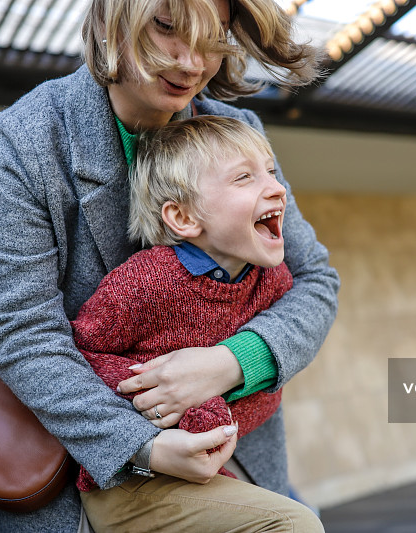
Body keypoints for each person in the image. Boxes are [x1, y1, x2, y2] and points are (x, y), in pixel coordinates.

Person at [0, 0, 340, 530]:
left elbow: (316, 281)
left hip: (231, 457)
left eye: (212, 36)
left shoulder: (236, 129)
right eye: (166, 27)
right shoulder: (26, 139)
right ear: (108, 18)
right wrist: (142, 445)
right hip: (75, 469)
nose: (192, 62)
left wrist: (233, 362)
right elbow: (21, 332)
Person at [71, 116, 323, 531]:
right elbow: (83, 351)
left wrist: (231, 371)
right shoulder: (146, 282)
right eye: (244, 177)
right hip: (131, 479)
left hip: (212, 473)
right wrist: (158, 394)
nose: (277, 188)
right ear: (184, 219)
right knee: (295, 526)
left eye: (271, 172)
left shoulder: (274, 279)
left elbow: (316, 290)